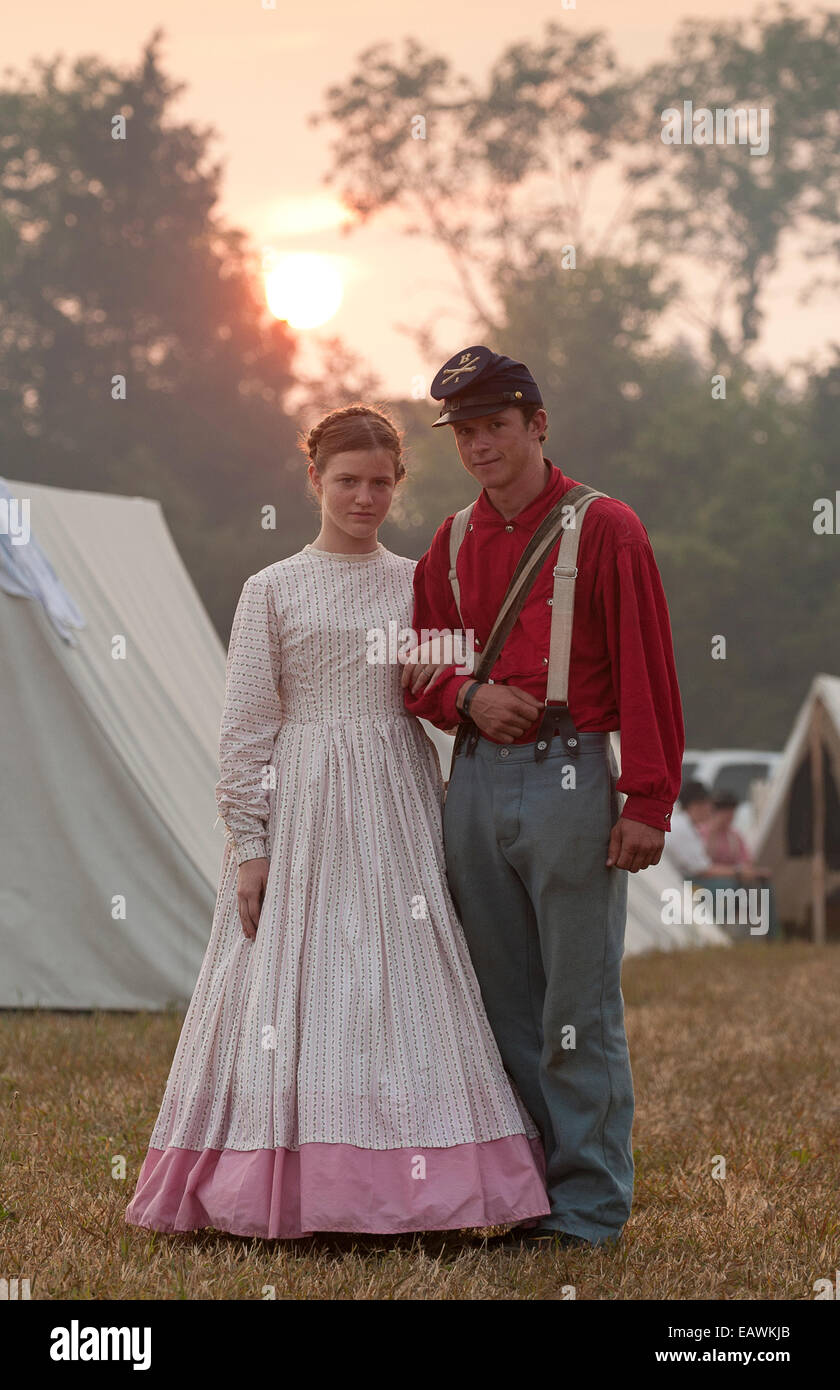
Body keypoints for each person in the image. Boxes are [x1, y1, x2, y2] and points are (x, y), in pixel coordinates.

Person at [125, 403, 550, 1240]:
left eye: (382, 483)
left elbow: (444, 692)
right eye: (348, 481)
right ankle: (293, 1183)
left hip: (396, 790)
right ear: (314, 479)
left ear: (399, 486)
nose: (365, 497)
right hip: (305, 798)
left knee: (404, 978)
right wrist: (249, 845)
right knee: (299, 982)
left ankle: (417, 1185)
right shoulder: (272, 588)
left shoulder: (422, 579)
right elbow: (246, 725)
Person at [402, 346, 685, 1250]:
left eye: (496, 426)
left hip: (572, 774)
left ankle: (590, 1207)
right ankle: (523, 1190)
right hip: (476, 777)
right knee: (501, 1002)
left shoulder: (607, 528)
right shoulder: (447, 542)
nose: (481, 446)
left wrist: (648, 798)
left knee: (579, 1002)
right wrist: (463, 697)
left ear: (537, 425)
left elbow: (649, 669)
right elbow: (413, 663)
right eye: (466, 432)